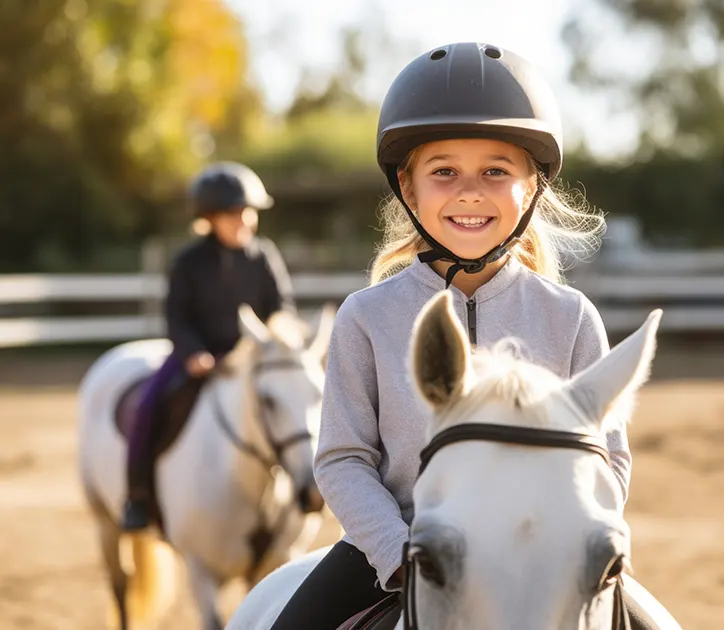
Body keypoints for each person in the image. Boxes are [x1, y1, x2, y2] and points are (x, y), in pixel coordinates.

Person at [268, 43, 662, 630]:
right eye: (444, 171)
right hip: (396, 549)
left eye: (495, 172)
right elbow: (344, 459)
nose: (469, 191)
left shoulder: (572, 317)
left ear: (533, 187)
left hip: (543, 553)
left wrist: (566, 531)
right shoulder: (365, 316)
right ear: (409, 185)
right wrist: (399, 555)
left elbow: (610, 459)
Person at [121, 161, 295, 532]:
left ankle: (305, 485)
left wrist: (277, 337)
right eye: (234, 213)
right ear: (209, 218)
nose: (245, 221)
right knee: (147, 406)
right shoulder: (188, 263)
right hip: (200, 360)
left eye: (249, 212)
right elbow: (177, 318)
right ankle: (138, 497)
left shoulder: (264, 256)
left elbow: (282, 308)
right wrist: (192, 353)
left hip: (251, 361)